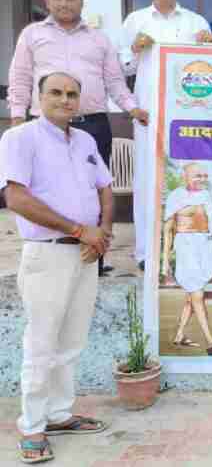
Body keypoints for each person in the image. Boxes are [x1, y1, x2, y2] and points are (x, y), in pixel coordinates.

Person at [1, 72, 113, 464]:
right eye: (56, 93)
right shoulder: (19, 138)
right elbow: (15, 197)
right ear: (38, 97)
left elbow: (105, 186)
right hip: (48, 253)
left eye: (72, 94)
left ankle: (59, 415)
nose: (65, 100)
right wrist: (80, 230)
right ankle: (32, 425)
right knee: (42, 343)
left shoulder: (84, 140)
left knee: (72, 341)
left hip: (85, 254)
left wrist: (103, 234)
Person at [7, 0, 145, 277]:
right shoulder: (32, 35)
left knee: (95, 192)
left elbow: (115, 82)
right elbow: (19, 78)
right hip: (44, 126)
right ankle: (52, 258)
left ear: (81, 2)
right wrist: (18, 119)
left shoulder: (99, 39)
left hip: (93, 124)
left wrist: (133, 109)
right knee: (48, 192)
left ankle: (95, 258)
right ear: (47, 1)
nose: (64, 3)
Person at [119, 0, 212, 271]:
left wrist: (209, 46)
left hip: (189, 117)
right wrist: (135, 48)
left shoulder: (195, 21)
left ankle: (189, 250)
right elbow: (123, 68)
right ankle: (147, 253)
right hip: (150, 115)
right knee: (148, 183)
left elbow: (209, 67)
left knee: (189, 181)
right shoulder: (137, 20)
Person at [162, 163, 212, 355]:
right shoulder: (176, 197)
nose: (201, 180)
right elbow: (168, 231)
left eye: (204, 176)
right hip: (185, 247)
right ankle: (210, 340)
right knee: (198, 295)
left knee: (191, 296)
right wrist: (165, 260)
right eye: (197, 176)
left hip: (203, 248)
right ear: (185, 176)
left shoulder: (206, 196)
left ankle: (179, 334)